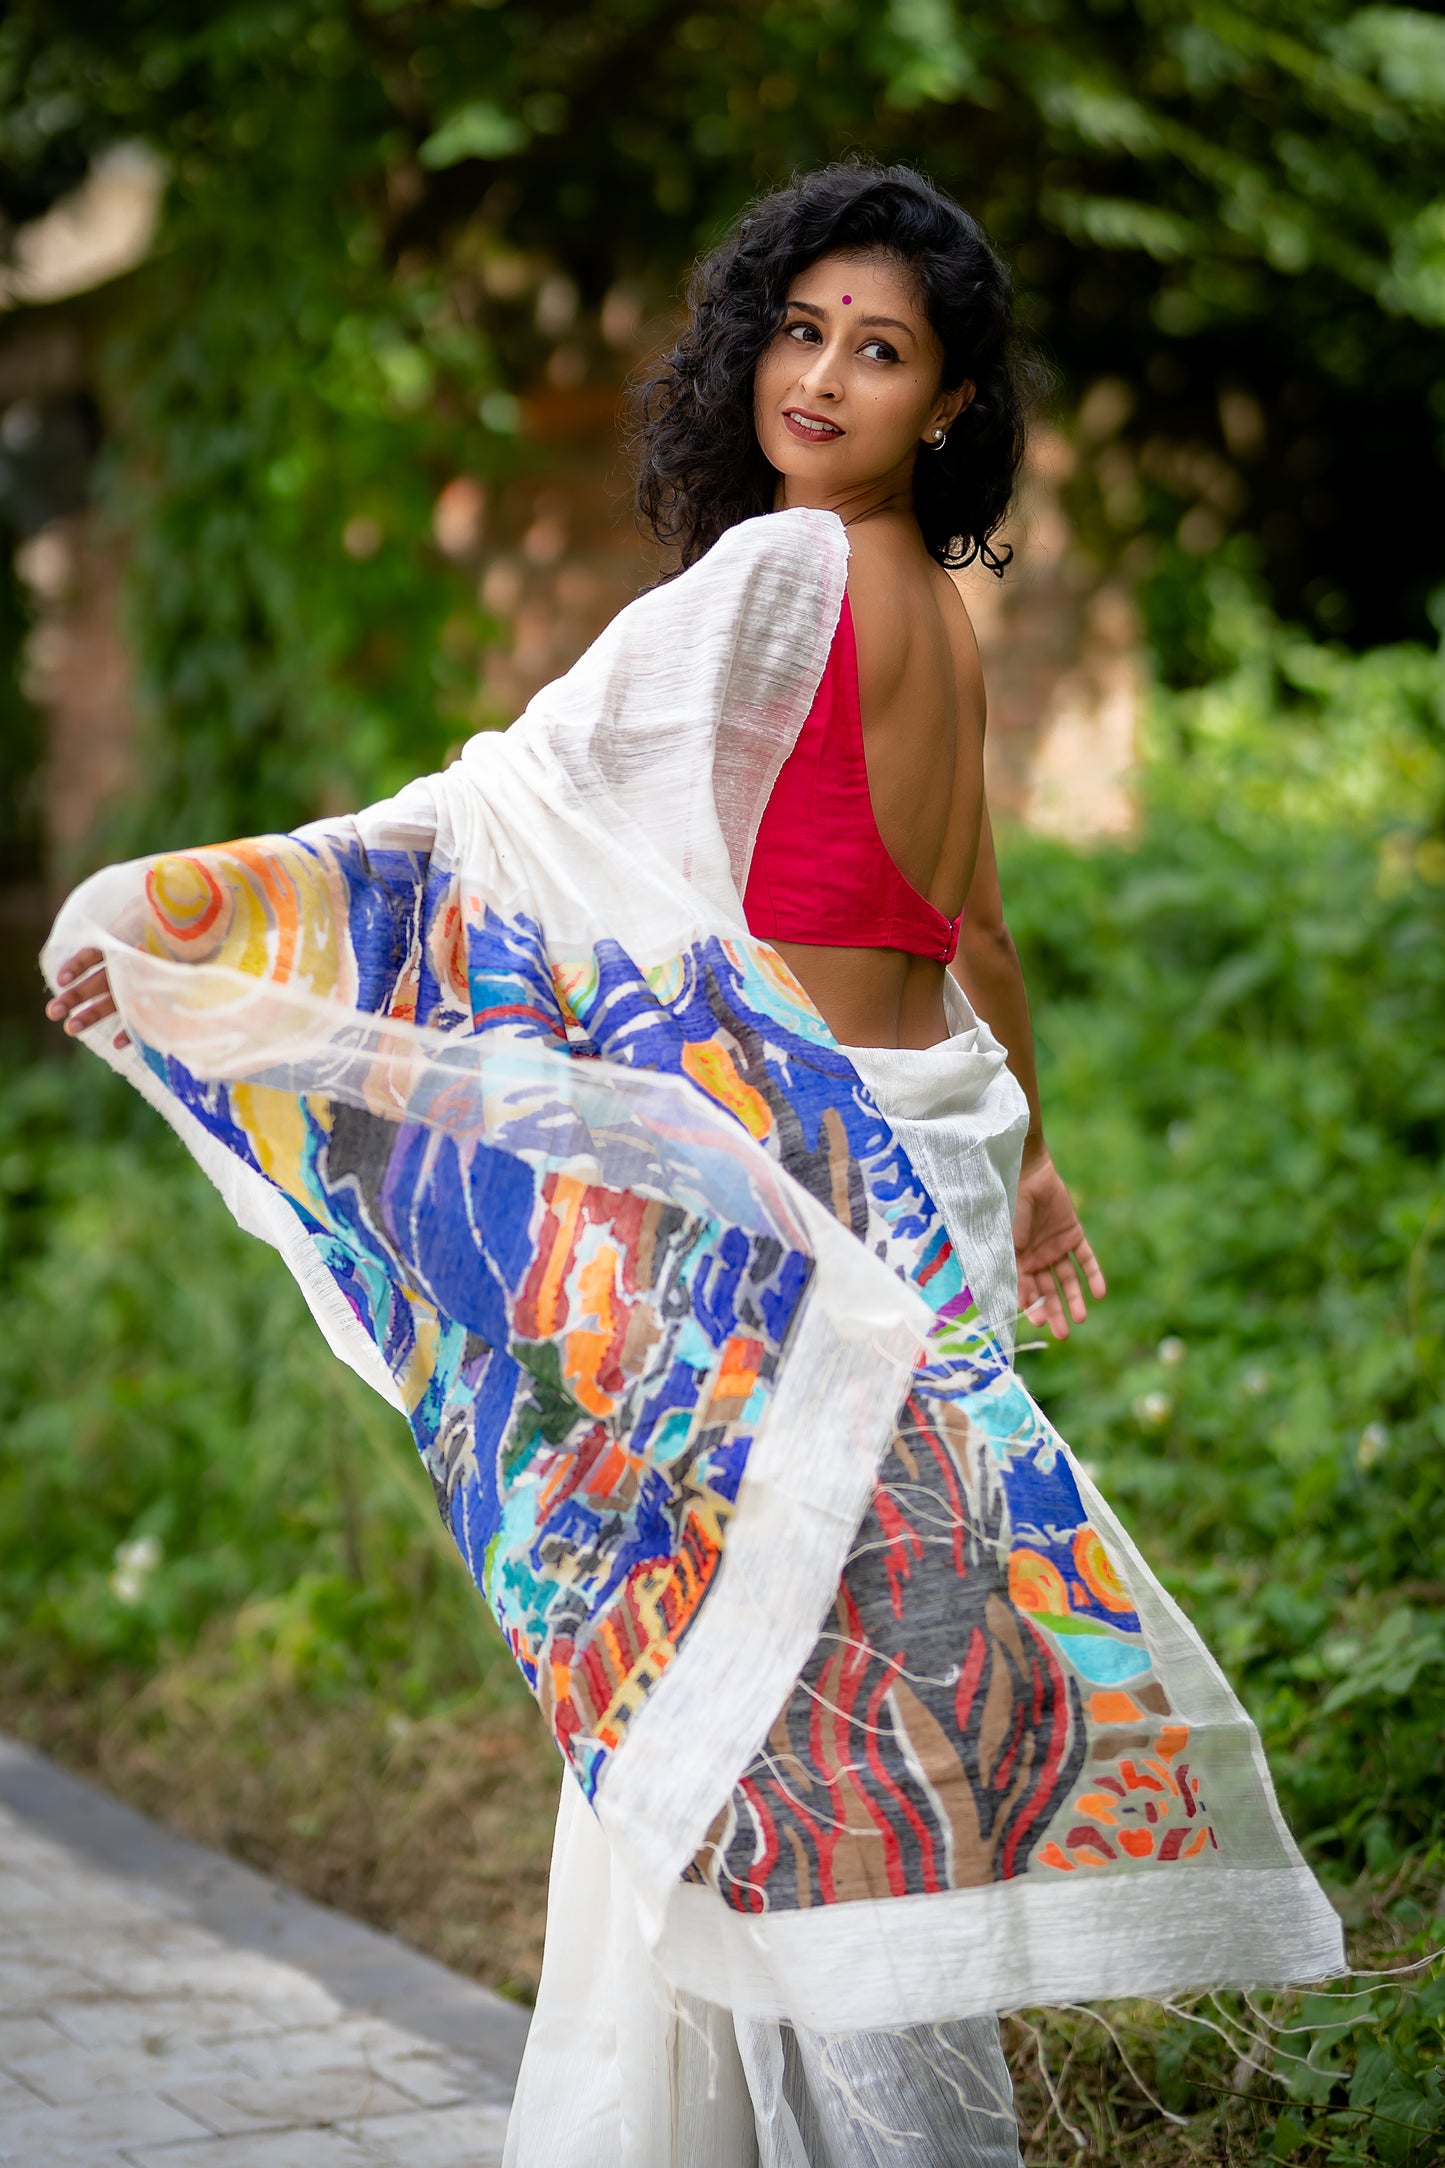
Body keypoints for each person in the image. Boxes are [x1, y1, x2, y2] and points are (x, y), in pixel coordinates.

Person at [46, 164, 1341, 2166]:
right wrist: (1044, 1164)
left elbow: (514, 802)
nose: (821, 376)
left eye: (880, 349)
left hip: (825, 1208)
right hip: (930, 1170)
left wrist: (208, 923)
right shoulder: (952, 619)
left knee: (749, 1730)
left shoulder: (782, 576)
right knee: (842, 1730)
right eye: (801, 328)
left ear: (953, 405)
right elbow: (973, 928)